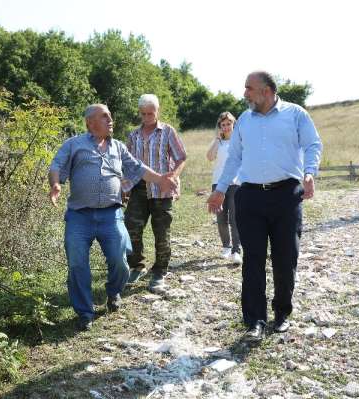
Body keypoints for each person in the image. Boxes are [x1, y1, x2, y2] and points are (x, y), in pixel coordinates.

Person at [207, 71, 322, 342]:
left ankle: (282, 314)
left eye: (249, 88)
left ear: (266, 91)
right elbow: (234, 158)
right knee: (253, 260)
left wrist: (309, 173)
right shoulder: (244, 120)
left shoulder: (295, 114)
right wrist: (221, 190)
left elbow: (313, 144)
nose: (245, 93)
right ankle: (255, 320)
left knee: (285, 258)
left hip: (286, 196)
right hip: (250, 197)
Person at [49, 104, 176, 331]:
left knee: (120, 262)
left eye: (110, 116)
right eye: (104, 117)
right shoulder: (74, 145)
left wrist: (161, 180)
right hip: (80, 216)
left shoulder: (117, 147)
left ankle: (114, 291)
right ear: (90, 123)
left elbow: (138, 167)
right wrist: (56, 184)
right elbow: (56, 165)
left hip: (111, 214)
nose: (110, 120)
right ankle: (85, 312)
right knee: (77, 264)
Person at [124, 94, 187, 292]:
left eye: (150, 113)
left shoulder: (168, 131)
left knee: (161, 232)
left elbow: (181, 157)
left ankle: (160, 271)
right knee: (131, 228)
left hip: (162, 189)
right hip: (138, 188)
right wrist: (124, 188)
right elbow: (128, 163)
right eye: (143, 114)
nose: (147, 117)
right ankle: (136, 266)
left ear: (157, 111)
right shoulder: (133, 136)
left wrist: (173, 176)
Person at [206, 111, 242, 265]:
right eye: (223, 125)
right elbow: (210, 157)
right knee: (221, 217)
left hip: (236, 184)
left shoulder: (240, 141)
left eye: (229, 124)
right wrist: (217, 139)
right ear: (220, 127)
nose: (226, 127)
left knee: (235, 218)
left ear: (233, 124)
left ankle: (236, 250)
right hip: (218, 183)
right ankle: (226, 247)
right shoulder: (219, 142)